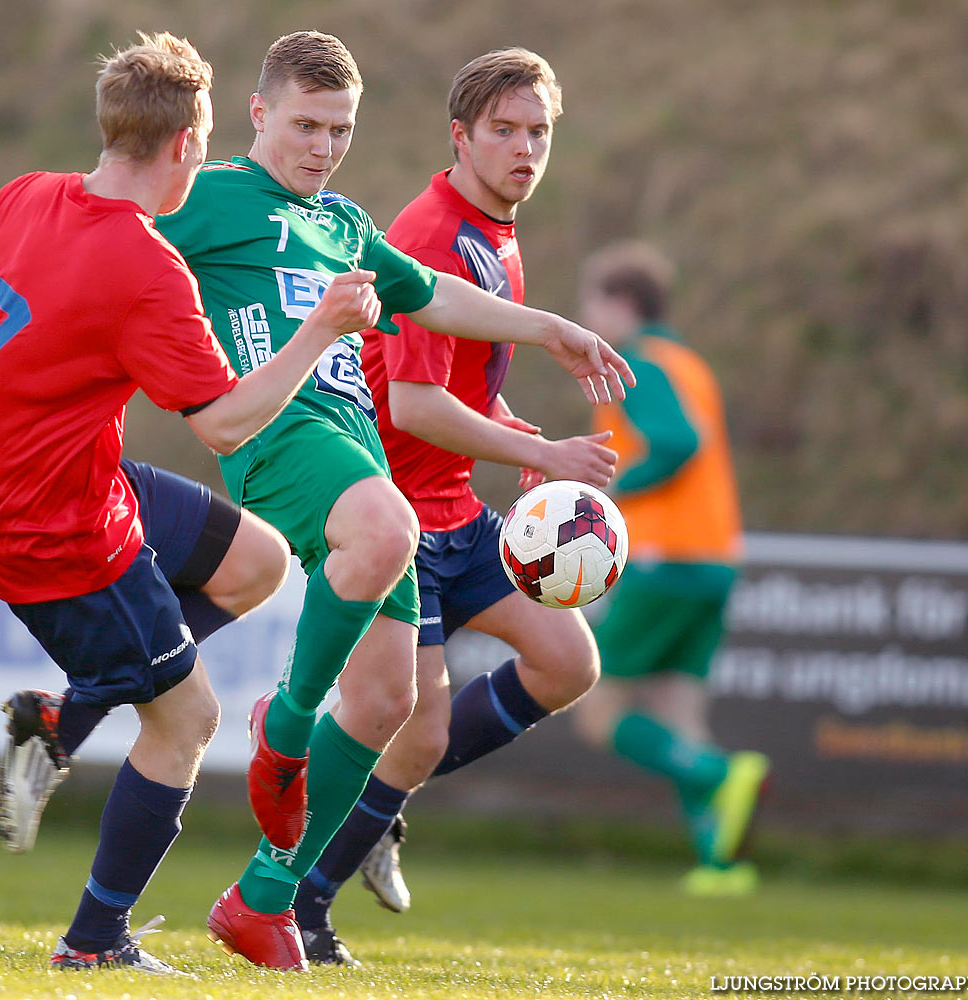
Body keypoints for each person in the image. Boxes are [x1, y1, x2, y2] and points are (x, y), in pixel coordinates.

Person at [0, 32, 385, 976]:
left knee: (259, 562)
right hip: (61, 537)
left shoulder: (25, 194)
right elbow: (229, 426)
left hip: (59, 482)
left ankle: (61, 717)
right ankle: (93, 943)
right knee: (186, 721)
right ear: (189, 146)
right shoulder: (147, 267)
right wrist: (320, 328)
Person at [151, 31, 634, 972]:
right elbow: (105, 245)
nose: (321, 146)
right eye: (303, 125)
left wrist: (553, 331)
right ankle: (284, 729)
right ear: (257, 116)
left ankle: (263, 901)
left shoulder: (343, 221)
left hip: (358, 452)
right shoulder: (207, 199)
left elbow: (436, 302)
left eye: (338, 130)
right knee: (385, 528)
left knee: (382, 706)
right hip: (285, 442)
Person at [289, 47, 619, 966]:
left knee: (565, 660)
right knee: (416, 724)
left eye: (537, 132)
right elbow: (413, 405)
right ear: (460, 138)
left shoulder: (496, 230)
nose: (523, 150)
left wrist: (513, 431)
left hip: (452, 508)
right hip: (391, 511)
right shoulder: (434, 234)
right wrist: (542, 451)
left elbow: (456, 380)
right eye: (503, 131)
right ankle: (303, 904)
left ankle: (381, 801)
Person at [570, 240, 769, 896]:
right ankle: (720, 866)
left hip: (664, 559)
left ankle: (715, 774)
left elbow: (678, 443)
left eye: (592, 302)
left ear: (622, 304)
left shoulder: (638, 364)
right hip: (715, 559)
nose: (586, 315)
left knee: (598, 712)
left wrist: (609, 491)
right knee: (679, 714)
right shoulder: (687, 362)